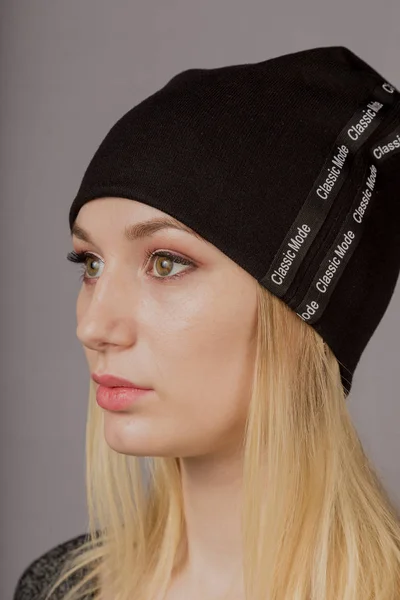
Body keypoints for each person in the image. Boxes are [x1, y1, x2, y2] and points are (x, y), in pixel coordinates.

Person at [14, 45, 400, 600]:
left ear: (298, 316)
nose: (94, 326)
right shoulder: (62, 588)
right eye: (90, 264)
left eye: (166, 263)